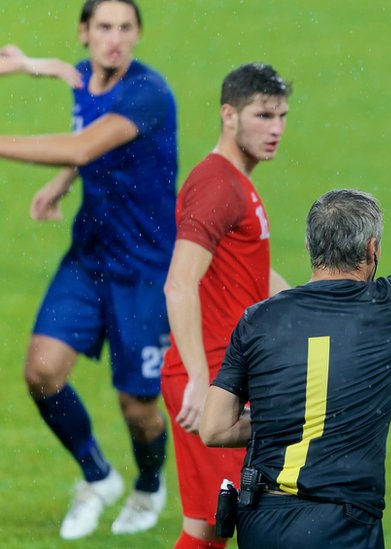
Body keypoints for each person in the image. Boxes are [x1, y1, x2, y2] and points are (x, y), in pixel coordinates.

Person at [198, 104, 391, 548]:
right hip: (341, 527)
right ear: (372, 249)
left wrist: (291, 418)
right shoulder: (390, 306)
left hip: (262, 524)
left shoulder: (258, 319)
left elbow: (214, 429)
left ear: (310, 246)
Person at [0, 0, 175, 540]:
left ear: (138, 35)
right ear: (85, 33)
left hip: (145, 268)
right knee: (41, 371)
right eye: (104, 28)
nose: (115, 39)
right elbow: (75, 90)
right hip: (90, 255)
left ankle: (148, 486)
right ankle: (98, 477)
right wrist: (31, 65)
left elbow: (84, 142)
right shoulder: (85, 77)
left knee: (138, 406)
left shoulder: (148, 94)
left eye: (126, 28)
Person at [161, 63, 292, 549]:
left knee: (216, 525)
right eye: (262, 115)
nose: (275, 129)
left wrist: (321, 306)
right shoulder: (217, 183)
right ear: (228, 115)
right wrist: (198, 376)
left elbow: (255, 276)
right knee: (229, 523)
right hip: (213, 381)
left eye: (281, 116)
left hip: (228, 376)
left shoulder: (237, 181)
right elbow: (179, 283)